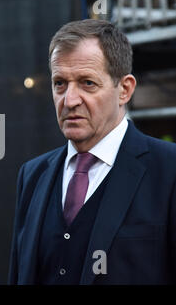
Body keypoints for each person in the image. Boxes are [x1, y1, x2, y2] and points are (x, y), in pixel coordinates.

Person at [9, 19, 176, 284]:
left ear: (125, 89)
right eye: (60, 83)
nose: (70, 100)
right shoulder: (32, 175)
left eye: (87, 83)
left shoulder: (169, 169)